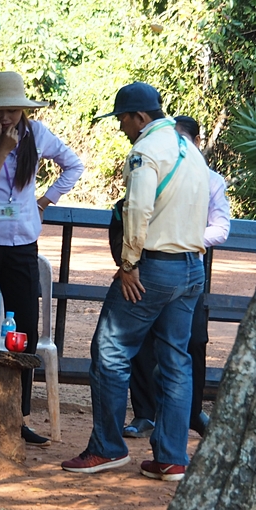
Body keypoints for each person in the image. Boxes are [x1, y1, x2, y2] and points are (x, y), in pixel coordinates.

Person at [62, 82, 208, 478]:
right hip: (192, 267)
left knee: (110, 351)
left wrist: (128, 264)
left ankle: (107, 447)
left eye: (123, 119)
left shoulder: (145, 150)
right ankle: (171, 457)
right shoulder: (188, 147)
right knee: (176, 361)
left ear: (140, 117)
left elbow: (138, 208)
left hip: (154, 266)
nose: (121, 126)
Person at [0, 71, 85, 446]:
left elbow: (74, 165)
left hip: (22, 243)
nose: (5, 118)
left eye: (12, 110)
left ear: (23, 109)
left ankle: (18, 416)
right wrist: (0, 153)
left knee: (24, 329)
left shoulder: (38, 134)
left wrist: (45, 201)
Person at [121, 115, 230, 439]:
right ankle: (145, 413)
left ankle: (192, 412)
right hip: (152, 262)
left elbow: (221, 228)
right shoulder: (157, 165)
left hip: (187, 265)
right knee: (143, 340)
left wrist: (186, 236)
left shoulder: (210, 179)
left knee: (193, 341)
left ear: (196, 142)